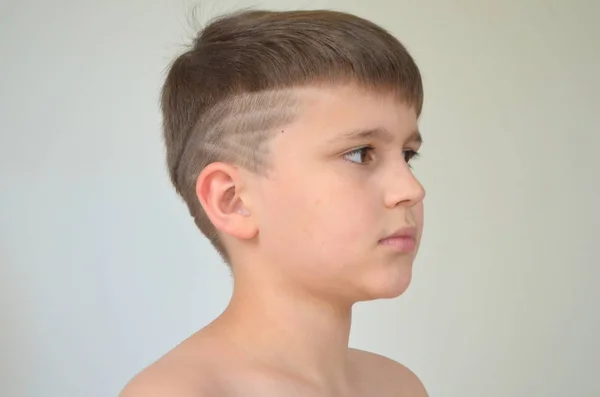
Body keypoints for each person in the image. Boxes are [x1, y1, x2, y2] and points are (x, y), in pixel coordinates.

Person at [121, 8, 427, 397]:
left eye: (408, 154)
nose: (411, 189)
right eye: (360, 153)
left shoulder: (398, 386)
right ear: (233, 200)